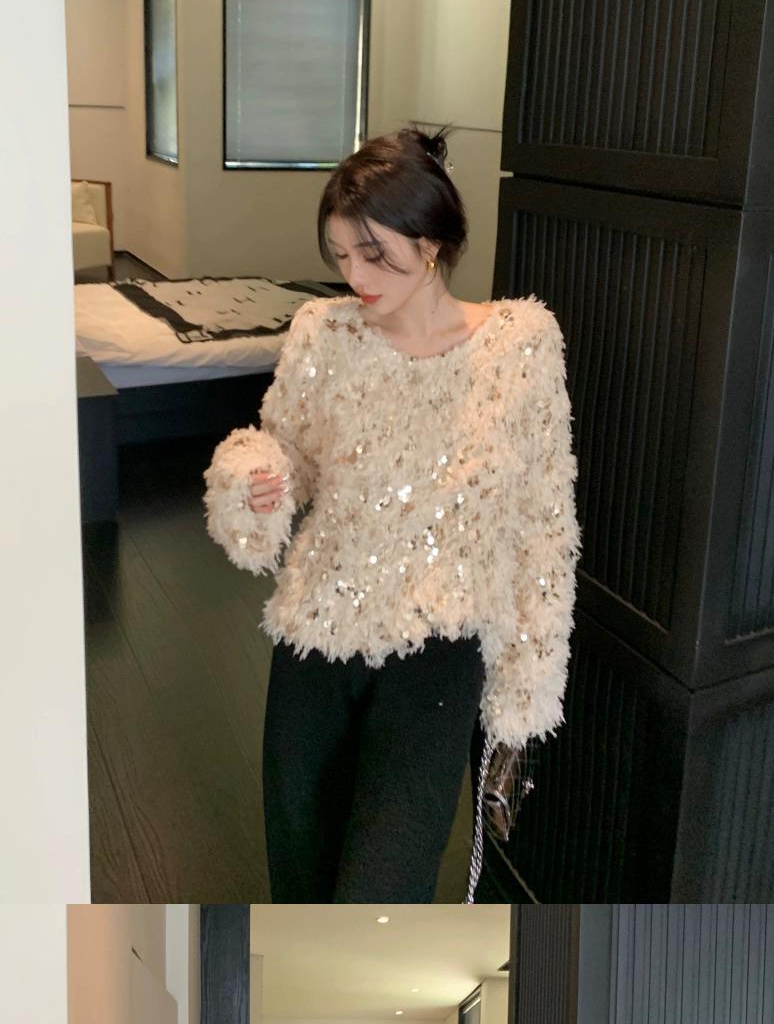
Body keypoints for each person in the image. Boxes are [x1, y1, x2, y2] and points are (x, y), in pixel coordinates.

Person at [203, 123, 579, 902]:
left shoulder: (520, 343)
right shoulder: (324, 331)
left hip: (437, 654)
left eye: (375, 254)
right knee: (301, 876)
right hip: (317, 634)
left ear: (431, 242)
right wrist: (256, 479)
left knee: (386, 883)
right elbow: (290, 451)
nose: (356, 276)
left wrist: (526, 688)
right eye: (341, 255)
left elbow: (545, 525)